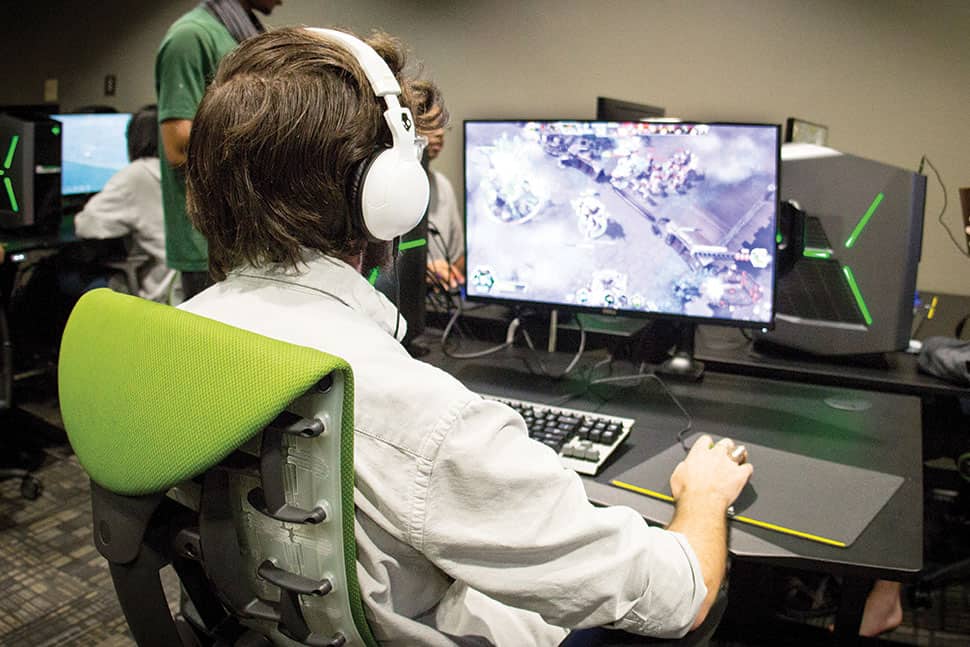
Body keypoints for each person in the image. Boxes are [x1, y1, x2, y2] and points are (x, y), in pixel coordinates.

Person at [181, 27, 753, 646]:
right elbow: (677, 595)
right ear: (389, 198)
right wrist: (703, 496)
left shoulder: (182, 335)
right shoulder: (423, 419)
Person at [154, 0, 281, 300]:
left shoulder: (244, 34)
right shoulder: (190, 37)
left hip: (254, 235)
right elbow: (178, 145)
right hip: (211, 244)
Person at [73, 105, 174, 301]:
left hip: (154, 290)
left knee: (49, 274)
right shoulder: (179, 171)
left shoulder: (136, 174)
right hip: (183, 286)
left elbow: (86, 225)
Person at [411, 86, 465, 290]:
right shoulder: (386, 190)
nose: (440, 133)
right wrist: (420, 270)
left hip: (435, 303)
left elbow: (458, 256)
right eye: (430, 125)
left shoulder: (442, 186)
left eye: (442, 126)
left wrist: (445, 272)